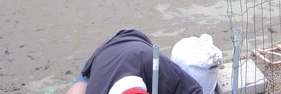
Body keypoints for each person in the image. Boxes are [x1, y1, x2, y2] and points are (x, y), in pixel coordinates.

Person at [66, 29, 203, 94]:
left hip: (135, 49)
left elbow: (194, 90)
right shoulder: (96, 89)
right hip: (103, 57)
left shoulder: (155, 64)